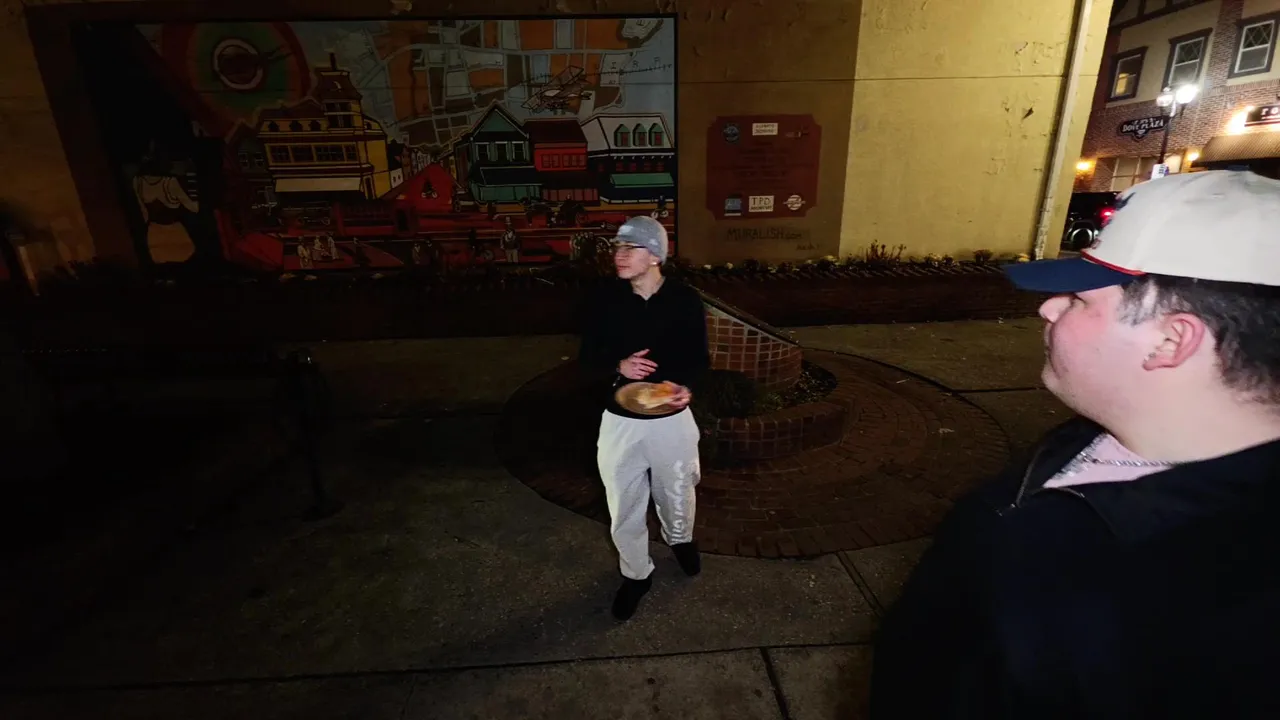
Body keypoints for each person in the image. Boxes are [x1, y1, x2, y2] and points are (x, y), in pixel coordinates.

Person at [870, 170, 1280, 720]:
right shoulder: (1096, 436)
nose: (1048, 308)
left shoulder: (1144, 607)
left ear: (1170, 340)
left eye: (1079, 299)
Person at [578, 215, 709, 621]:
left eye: (630, 247)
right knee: (623, 502)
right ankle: (636, 574)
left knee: (679, 490)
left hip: (671, 417)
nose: (619, 255)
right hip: (620, 420)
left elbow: (699, 358)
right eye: (617, 247)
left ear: (654, 256)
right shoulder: (605, 299)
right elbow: (587, 358)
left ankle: (680, 539)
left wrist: (685, 385)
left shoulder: (684, 300)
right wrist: (617, 365)